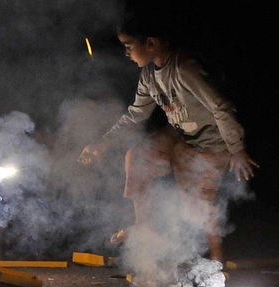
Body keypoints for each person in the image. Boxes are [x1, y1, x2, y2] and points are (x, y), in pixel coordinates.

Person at [77, 13, 259, 264]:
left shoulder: (185, 69)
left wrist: (236, 149)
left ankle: (216, 264)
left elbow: (221, 107)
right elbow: (135, 116)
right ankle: (143, 226)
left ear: (150, 44)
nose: (127, 53)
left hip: (210, 144)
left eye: (129, 47)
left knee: (197, 208)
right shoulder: (149, 76)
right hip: (180, 136)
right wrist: (102, 143)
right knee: (137, 156)